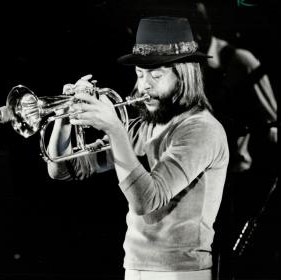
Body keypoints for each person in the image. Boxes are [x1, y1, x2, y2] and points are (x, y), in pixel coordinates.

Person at [47, 16, 229, 280]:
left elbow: (147, 201)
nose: (145, 85)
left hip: (182, 272)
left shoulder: (201, 129)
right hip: (133, 267)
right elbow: (63, 170)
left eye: (156, 74)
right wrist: (64, 116)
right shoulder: (141, 127)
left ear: (185, 74)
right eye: (140, 74)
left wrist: (115, 129)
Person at [186, 1, 278, 279]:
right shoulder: (186, 64)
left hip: (236, 182)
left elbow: (273, 127)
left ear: (206, 27)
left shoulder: (239, 60)